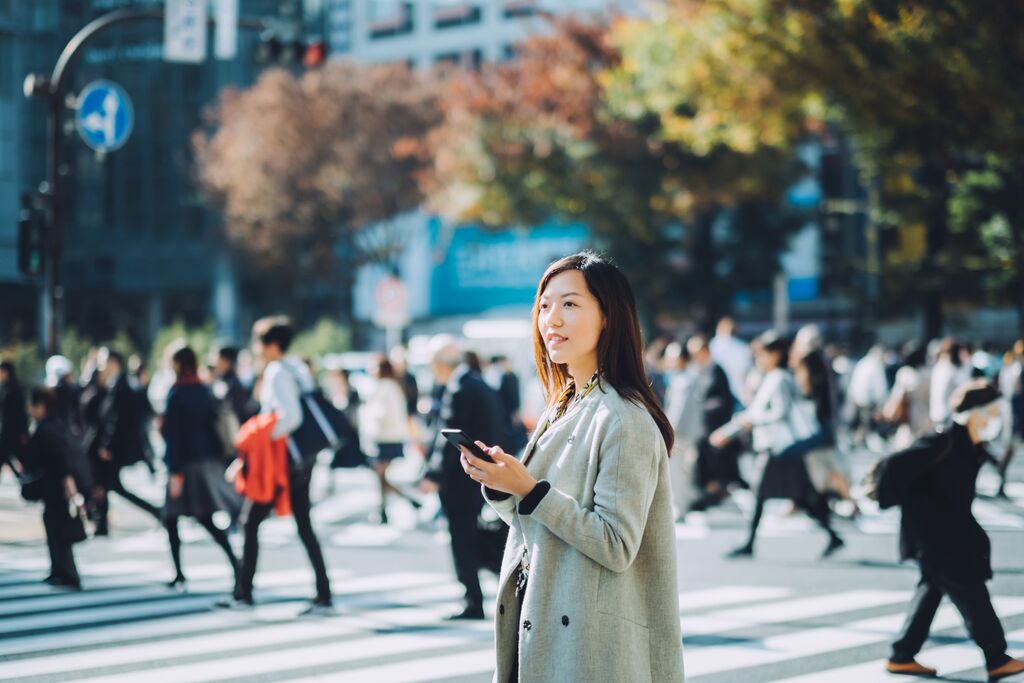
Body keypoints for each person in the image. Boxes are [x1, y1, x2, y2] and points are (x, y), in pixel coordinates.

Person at [458, 252, 684, 682]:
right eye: (544, 306)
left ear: (608, 317)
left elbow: (615, 543)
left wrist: (530, 490)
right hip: (543, 621)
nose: (552, 319)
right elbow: (539, 522)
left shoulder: (623, 418)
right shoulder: (564, 404)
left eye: (570, 304)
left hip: (589, 647)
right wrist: (505, 485)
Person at [871, 381, 1024, 680]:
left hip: (949, 529)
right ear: (976, 413)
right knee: (972, 590)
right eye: (992, 412)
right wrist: (901, 504)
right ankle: (996, 658)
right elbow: (894, 465)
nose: (995, 419)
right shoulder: (945, 441)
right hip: (935, 534)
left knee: (932, 589)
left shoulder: (971, 443)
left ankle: (902, 655)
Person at [224, 316, 333, 614]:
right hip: (301, 460)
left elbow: (291, 416)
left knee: (250, 521)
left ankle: (243, 593)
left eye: (259, 343)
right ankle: (323, 592)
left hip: (280, 462)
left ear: (271, 345)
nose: (256, 348)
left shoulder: (276, 371)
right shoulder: (297, 368)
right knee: (303, 525)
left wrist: (262, 436)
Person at [714, 331, 844, 559]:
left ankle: (749, 544)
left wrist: (749, 423)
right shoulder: (779, 377)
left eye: (762, 354)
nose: (759, 359)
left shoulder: (778, 378)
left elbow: (779, 411)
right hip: (782, 447)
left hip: (777, 447)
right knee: (801, 494)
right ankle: (832, 535)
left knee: (764, 495)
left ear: (775, 354)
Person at [419, 335, 506, 621]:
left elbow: (447, 439)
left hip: (461, 479)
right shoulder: (478, 383)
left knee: (462, 538)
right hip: (481, 475)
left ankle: (473, 600)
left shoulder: (458, 388)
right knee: (471, 533)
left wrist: (432, 474)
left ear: (439, 364)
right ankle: (482, 588)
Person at [161, 346, 242, 591]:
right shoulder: (204, 390)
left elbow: (173, 437)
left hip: (184, 465)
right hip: (205, 460)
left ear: (177, 364)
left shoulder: (176, 394)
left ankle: (179, 573)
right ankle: (234, 563)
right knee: (203, 517)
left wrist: (174, 471)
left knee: (173, 518)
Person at [86, 349, 162, 535]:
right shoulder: (116, 384)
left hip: (113, 448)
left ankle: (156, 512)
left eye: (104, 362)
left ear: (114, 363)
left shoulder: (121, 387)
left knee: (112, 485)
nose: (101, 366)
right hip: (111, 446)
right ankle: (101, 522)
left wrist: (108, 445)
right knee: (110, 485)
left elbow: (117, 420)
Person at [25, 387, 84, 590]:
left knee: (56, 528)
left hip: (53, 484)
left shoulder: (44, 429)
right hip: (60, 484)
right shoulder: (59, 424)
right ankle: (61, 570)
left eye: (32, 406)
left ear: (41, 406)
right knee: (59, 527)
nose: (30, 410)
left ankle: (65, 572)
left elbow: (38, 458)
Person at [688, 334, 744, 511]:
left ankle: (716, 492)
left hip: (715, 427)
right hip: (703, 427)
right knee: (705, 464)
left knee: (716, 464)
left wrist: (702, 407)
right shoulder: (700, 370)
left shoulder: (717, 371)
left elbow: (722, 401)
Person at [363, 356, 418, 524]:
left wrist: (370, 413)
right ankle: (398, 505)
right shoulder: (387, 386)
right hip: (383, 437)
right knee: (380, 476)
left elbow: (386, 413)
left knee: (380, 475)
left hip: (387, 438)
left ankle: (388, 509)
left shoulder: (388, 387)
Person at [662, 341, 702, 520]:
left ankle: (680, 506)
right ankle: (682, 505)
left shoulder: (683, 381)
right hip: (685, 433)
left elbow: (677, 412)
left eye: (674, 357)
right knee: (683, 470)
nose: (670, 361)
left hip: (680, 434)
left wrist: (669, 431)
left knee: (678, 471)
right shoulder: (685, 378)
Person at [710, 316, 753, 406]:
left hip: (718, 394)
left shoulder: (713, 345)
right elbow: (747, 372)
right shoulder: (742, 347)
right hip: (739, 393)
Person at [211, 346, 258, 425]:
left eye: (219, 359)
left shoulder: (233, 384)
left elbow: (238, 413)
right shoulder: (221, 379)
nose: (216, 363)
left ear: (226, 361)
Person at [0, 360, 29, 480]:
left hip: (15, 430)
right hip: (6, 429)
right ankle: (22, 476)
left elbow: (21, 411)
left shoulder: (16, 388)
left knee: (20, 456)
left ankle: (25, 476)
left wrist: (23, 431)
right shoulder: (4, 387)